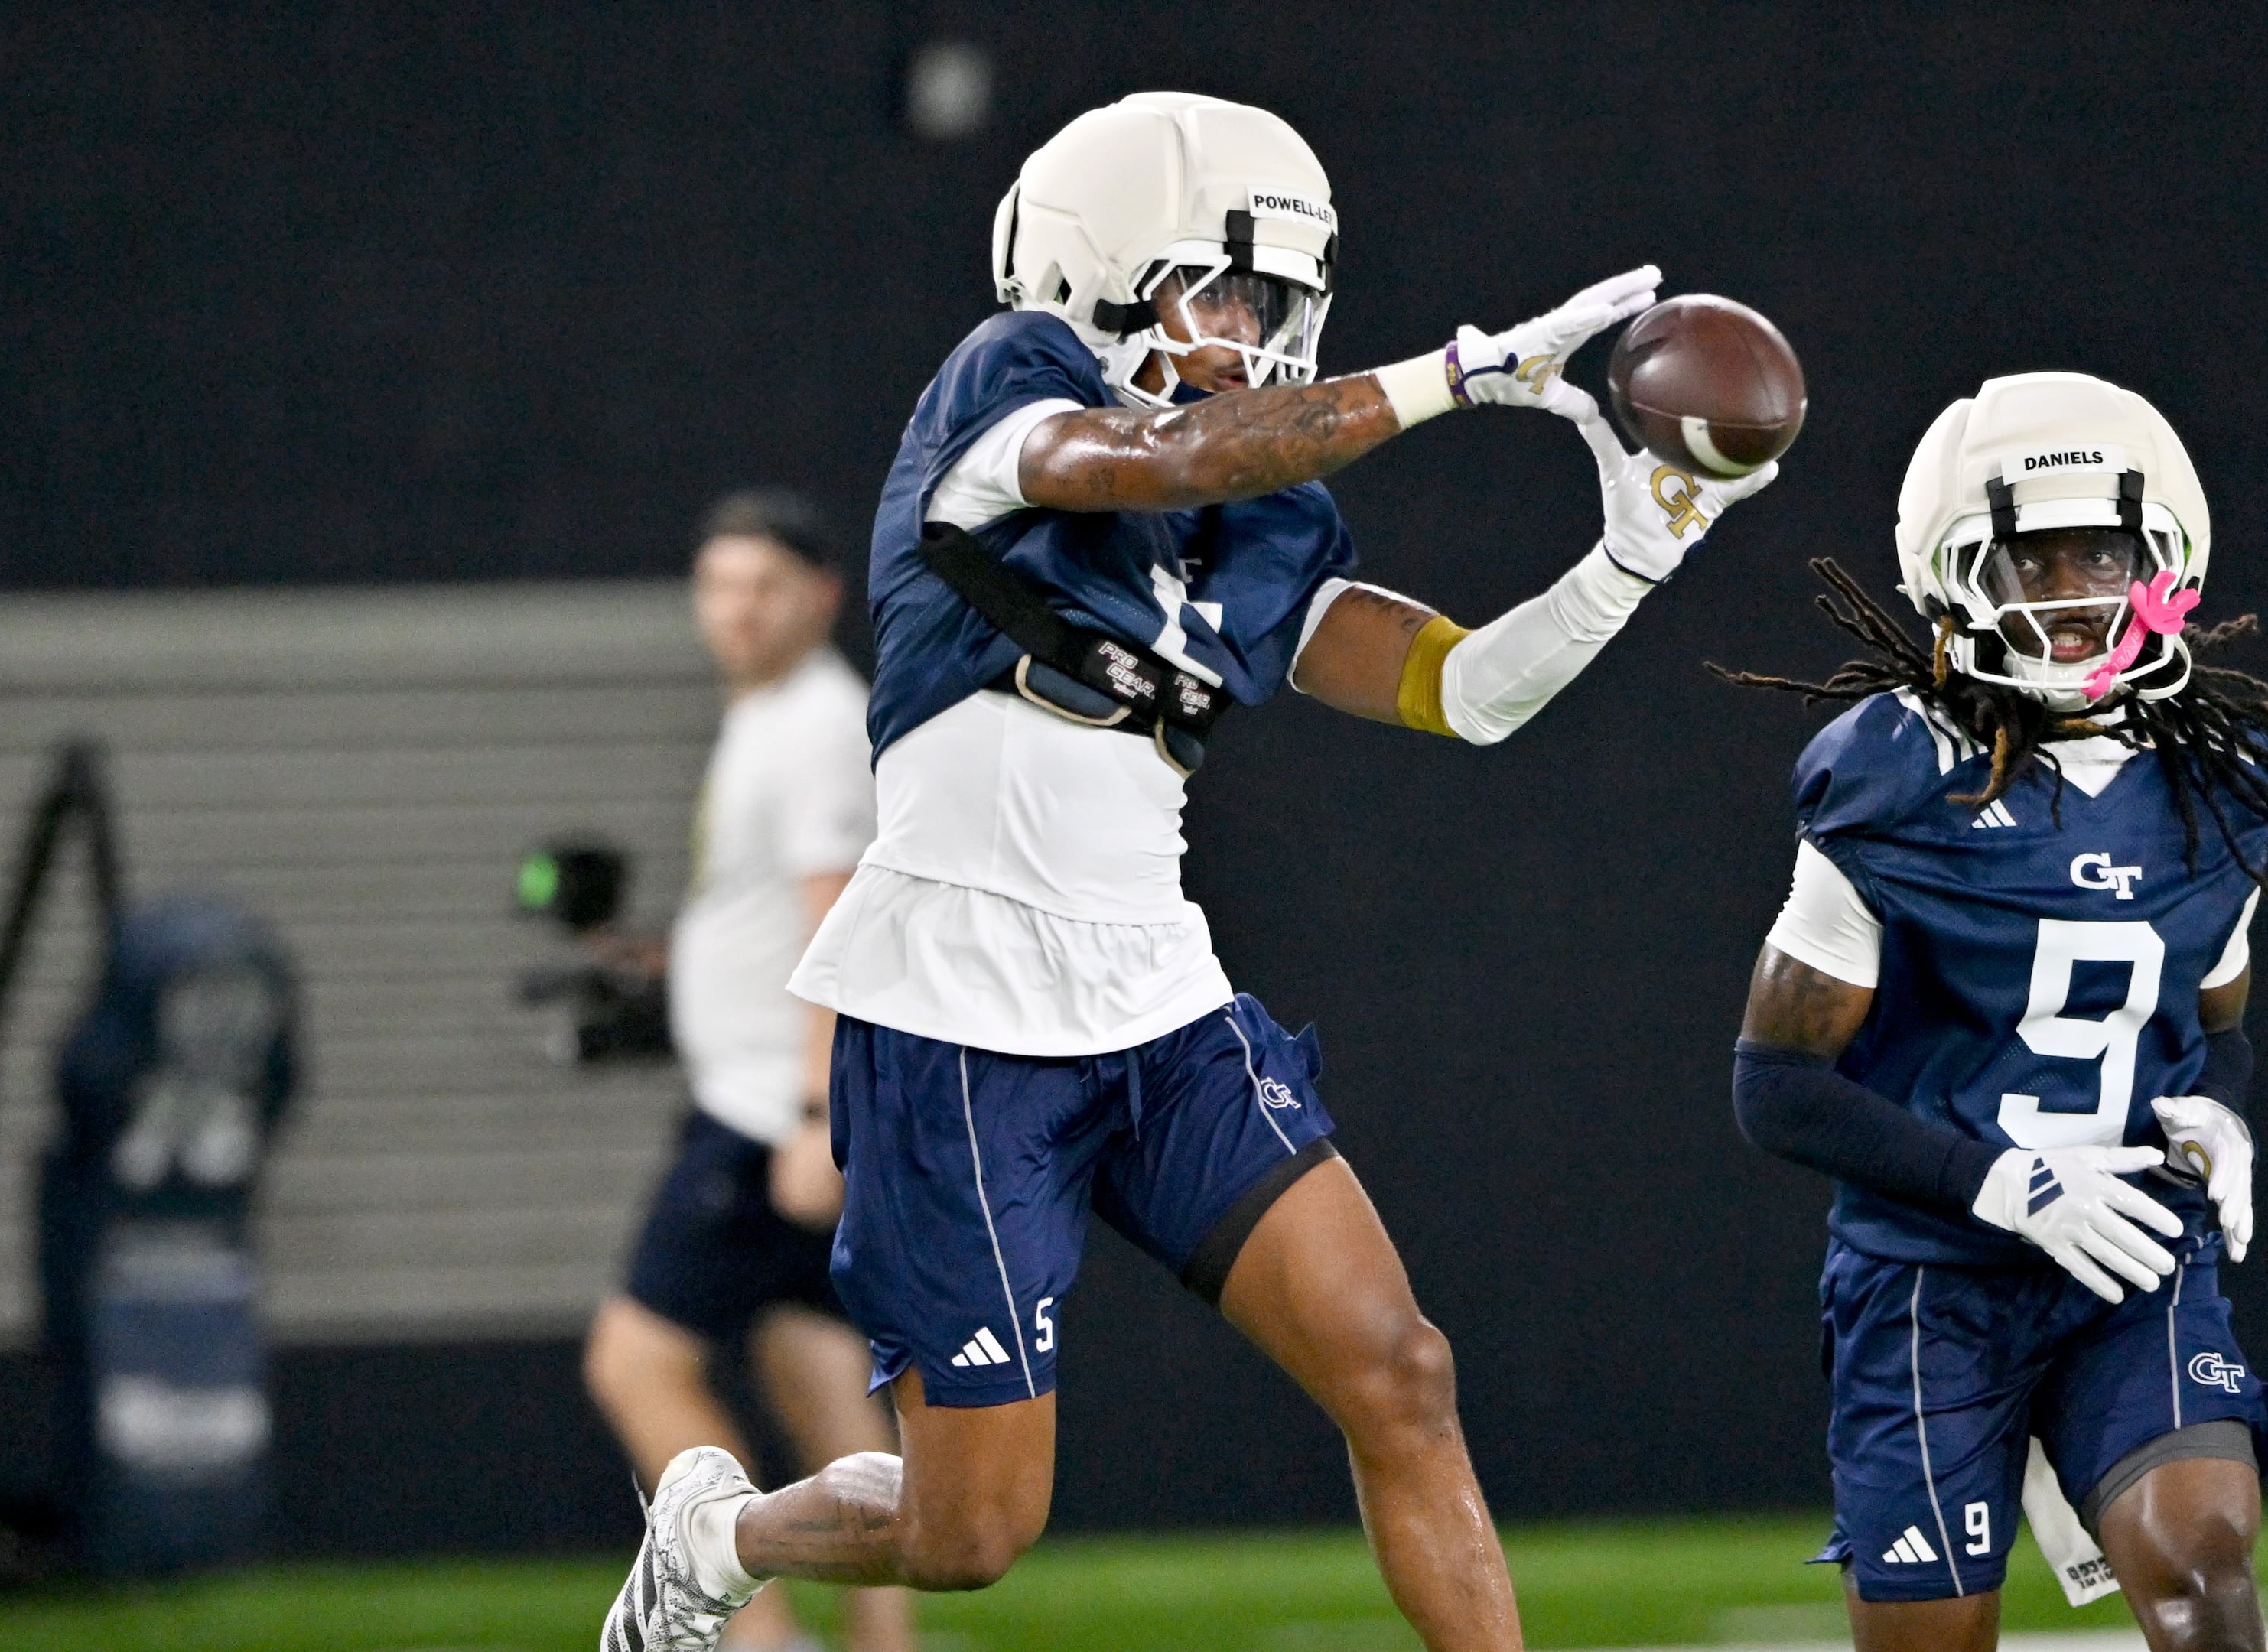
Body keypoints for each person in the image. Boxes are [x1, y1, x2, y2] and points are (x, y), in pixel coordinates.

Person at [599, 92, 1778, 1652]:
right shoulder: (1008, 384)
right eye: (1219, 293)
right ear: (1093, 269)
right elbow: (1142, 460)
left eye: (1280, 304)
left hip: (1153, 997)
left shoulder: (1268, 514)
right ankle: (717, 1535)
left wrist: (1638, 552)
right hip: (959, 1015)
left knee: (1399, 1369)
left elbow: (1470, 693)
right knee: (969, 1530)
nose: (1255, 333)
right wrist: (1462, 375)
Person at [1716, 372, 2268, 1652]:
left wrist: (2221, 1111)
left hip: (2132, 1261)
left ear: (2167, 564)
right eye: (2032, 562)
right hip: (1931, 1283)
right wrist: (2003, 1187)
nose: (2073, 595)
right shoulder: (1895, 775)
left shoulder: (2220, 785)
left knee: (2206, 1576)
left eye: (2103, 553)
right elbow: (1775, 1084)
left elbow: (2217, 1027)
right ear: (1958, 579)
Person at [581, 492, 915, 1652]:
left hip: (768, 1113)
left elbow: (838, 924)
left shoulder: (816, 723)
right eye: (717, 584)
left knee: (634, 1360)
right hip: (772, 1102)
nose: (735, 608)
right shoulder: (773, 716)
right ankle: (884, 1639)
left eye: (762, 585)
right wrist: (671, 968)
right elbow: (776, 912)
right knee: (819, 1377)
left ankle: (753, 1628)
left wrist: (814, 1116)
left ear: (820, 597)